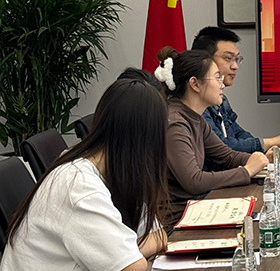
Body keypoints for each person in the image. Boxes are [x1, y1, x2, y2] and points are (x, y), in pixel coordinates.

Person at [1, 77, 168, 271]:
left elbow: (159, 236)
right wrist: (128, 254)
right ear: (145, 141)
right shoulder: (78, 184)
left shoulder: (116, 171)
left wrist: (128, 252)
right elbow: (132, 267)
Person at [155, 47, 269, 227]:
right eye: (217, 78)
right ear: (195, 84)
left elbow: (227, 156)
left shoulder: (194, 116)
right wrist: (246, 171)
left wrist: (258, 159)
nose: (222, 85)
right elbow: (194, 181)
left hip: (197, 209)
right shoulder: (175, 122)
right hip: (177, 222)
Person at [192, 26, 280, 161]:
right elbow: (221, 146)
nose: (235, 66)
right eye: (228, 58)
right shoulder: (195, 103)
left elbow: (238, 133)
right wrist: (269, 142)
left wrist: (261, 151)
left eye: (237, 59)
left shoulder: (221, 99)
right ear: (204, 60)